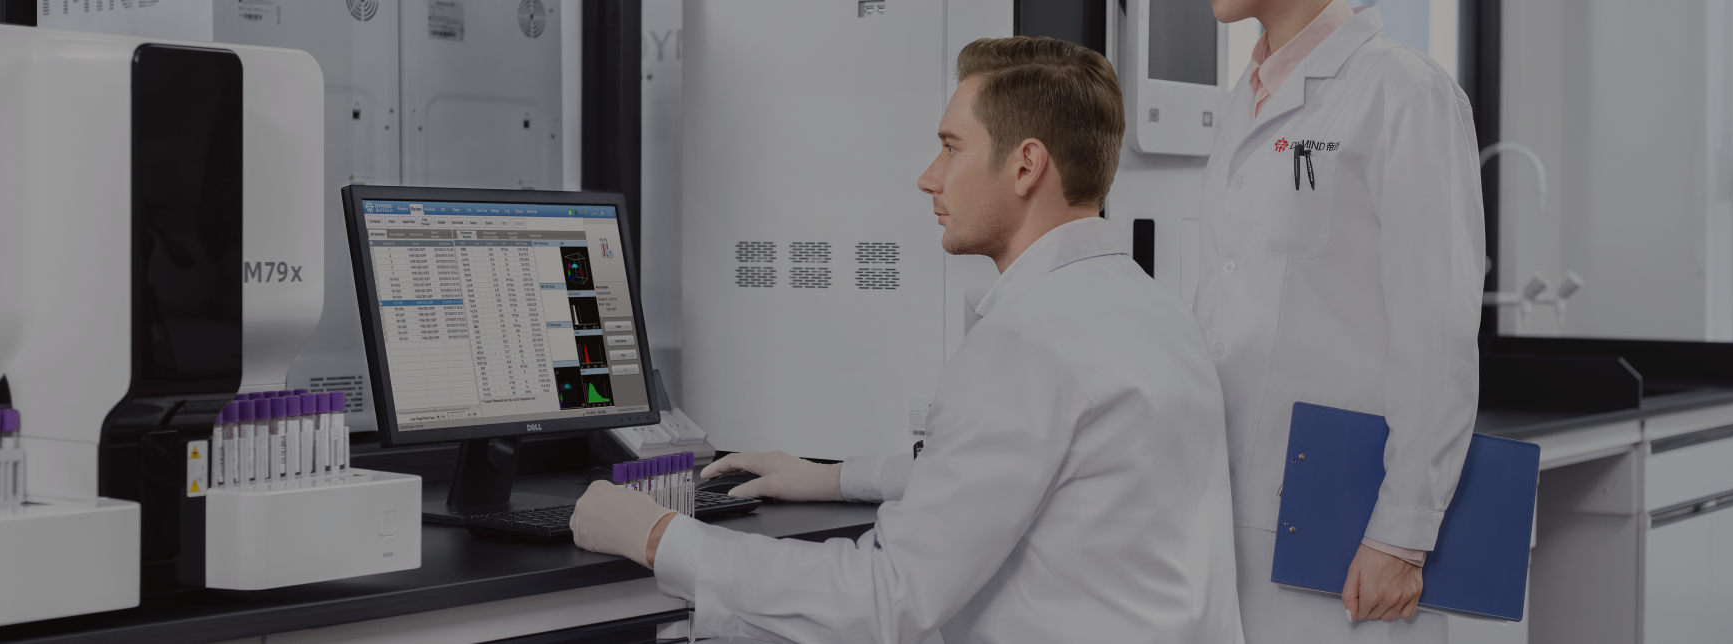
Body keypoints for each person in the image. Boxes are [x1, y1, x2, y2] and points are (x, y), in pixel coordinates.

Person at [568, 36, 1243, 644]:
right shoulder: (1158, 313)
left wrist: (657, 536)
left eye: (951, 147)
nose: (929, 177)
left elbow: (886, 600)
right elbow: (1026, 474)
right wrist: (833, 478)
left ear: (1026, 166)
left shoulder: (1027, 342)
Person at [1191, 0, 1485, 641]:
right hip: (1227, 522)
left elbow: (1438, 329)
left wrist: (1402, 533)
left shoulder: (1405, 91)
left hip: (1346, 535)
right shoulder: (1243, 101)